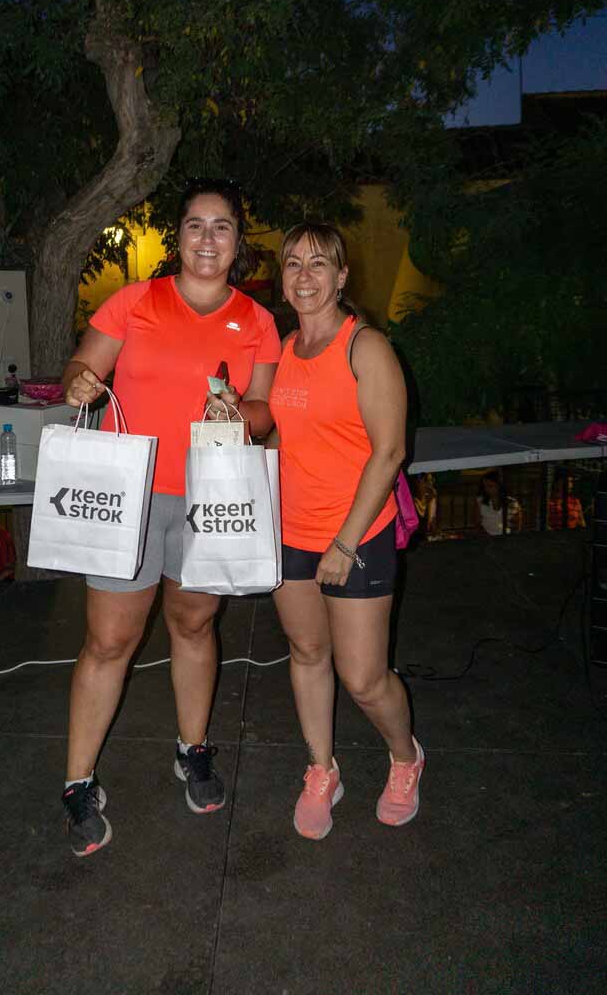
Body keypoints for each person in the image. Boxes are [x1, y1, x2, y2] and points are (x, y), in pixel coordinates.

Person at [60, 179, 280, 857]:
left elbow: (264, 413)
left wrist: (239, 413)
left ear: (237, 241)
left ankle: (193, 748)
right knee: (109, 641)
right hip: (128, 493)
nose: (207, 238)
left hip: (210, 495)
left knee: (194, 623)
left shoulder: (257, 320)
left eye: (222, 226)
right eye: (195, 225)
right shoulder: (135, 301)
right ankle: (77, 781)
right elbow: (83, 367)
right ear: (178, 236)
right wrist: (79, 381)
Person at [268, 221, 424, 841]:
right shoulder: (285, 348)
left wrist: (344, 542)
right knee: (307, 654)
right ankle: (322, 769)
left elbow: (389, 453)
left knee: (363, 678)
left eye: (318, 264)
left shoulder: (367, 347)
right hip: (290, 532)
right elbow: (285, 437)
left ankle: (406, 758)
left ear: (341, 276)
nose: (305, 276)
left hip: (355, 534)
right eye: (293, 264)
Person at [474, 470, 523, 536]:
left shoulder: (512, 502)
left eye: (490, 486)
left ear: (499, 486)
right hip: (486, 537)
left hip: (506, 537)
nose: (486, 489)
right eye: (484, 486)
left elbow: (517, 526)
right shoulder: (480, 501)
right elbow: (477, 523)